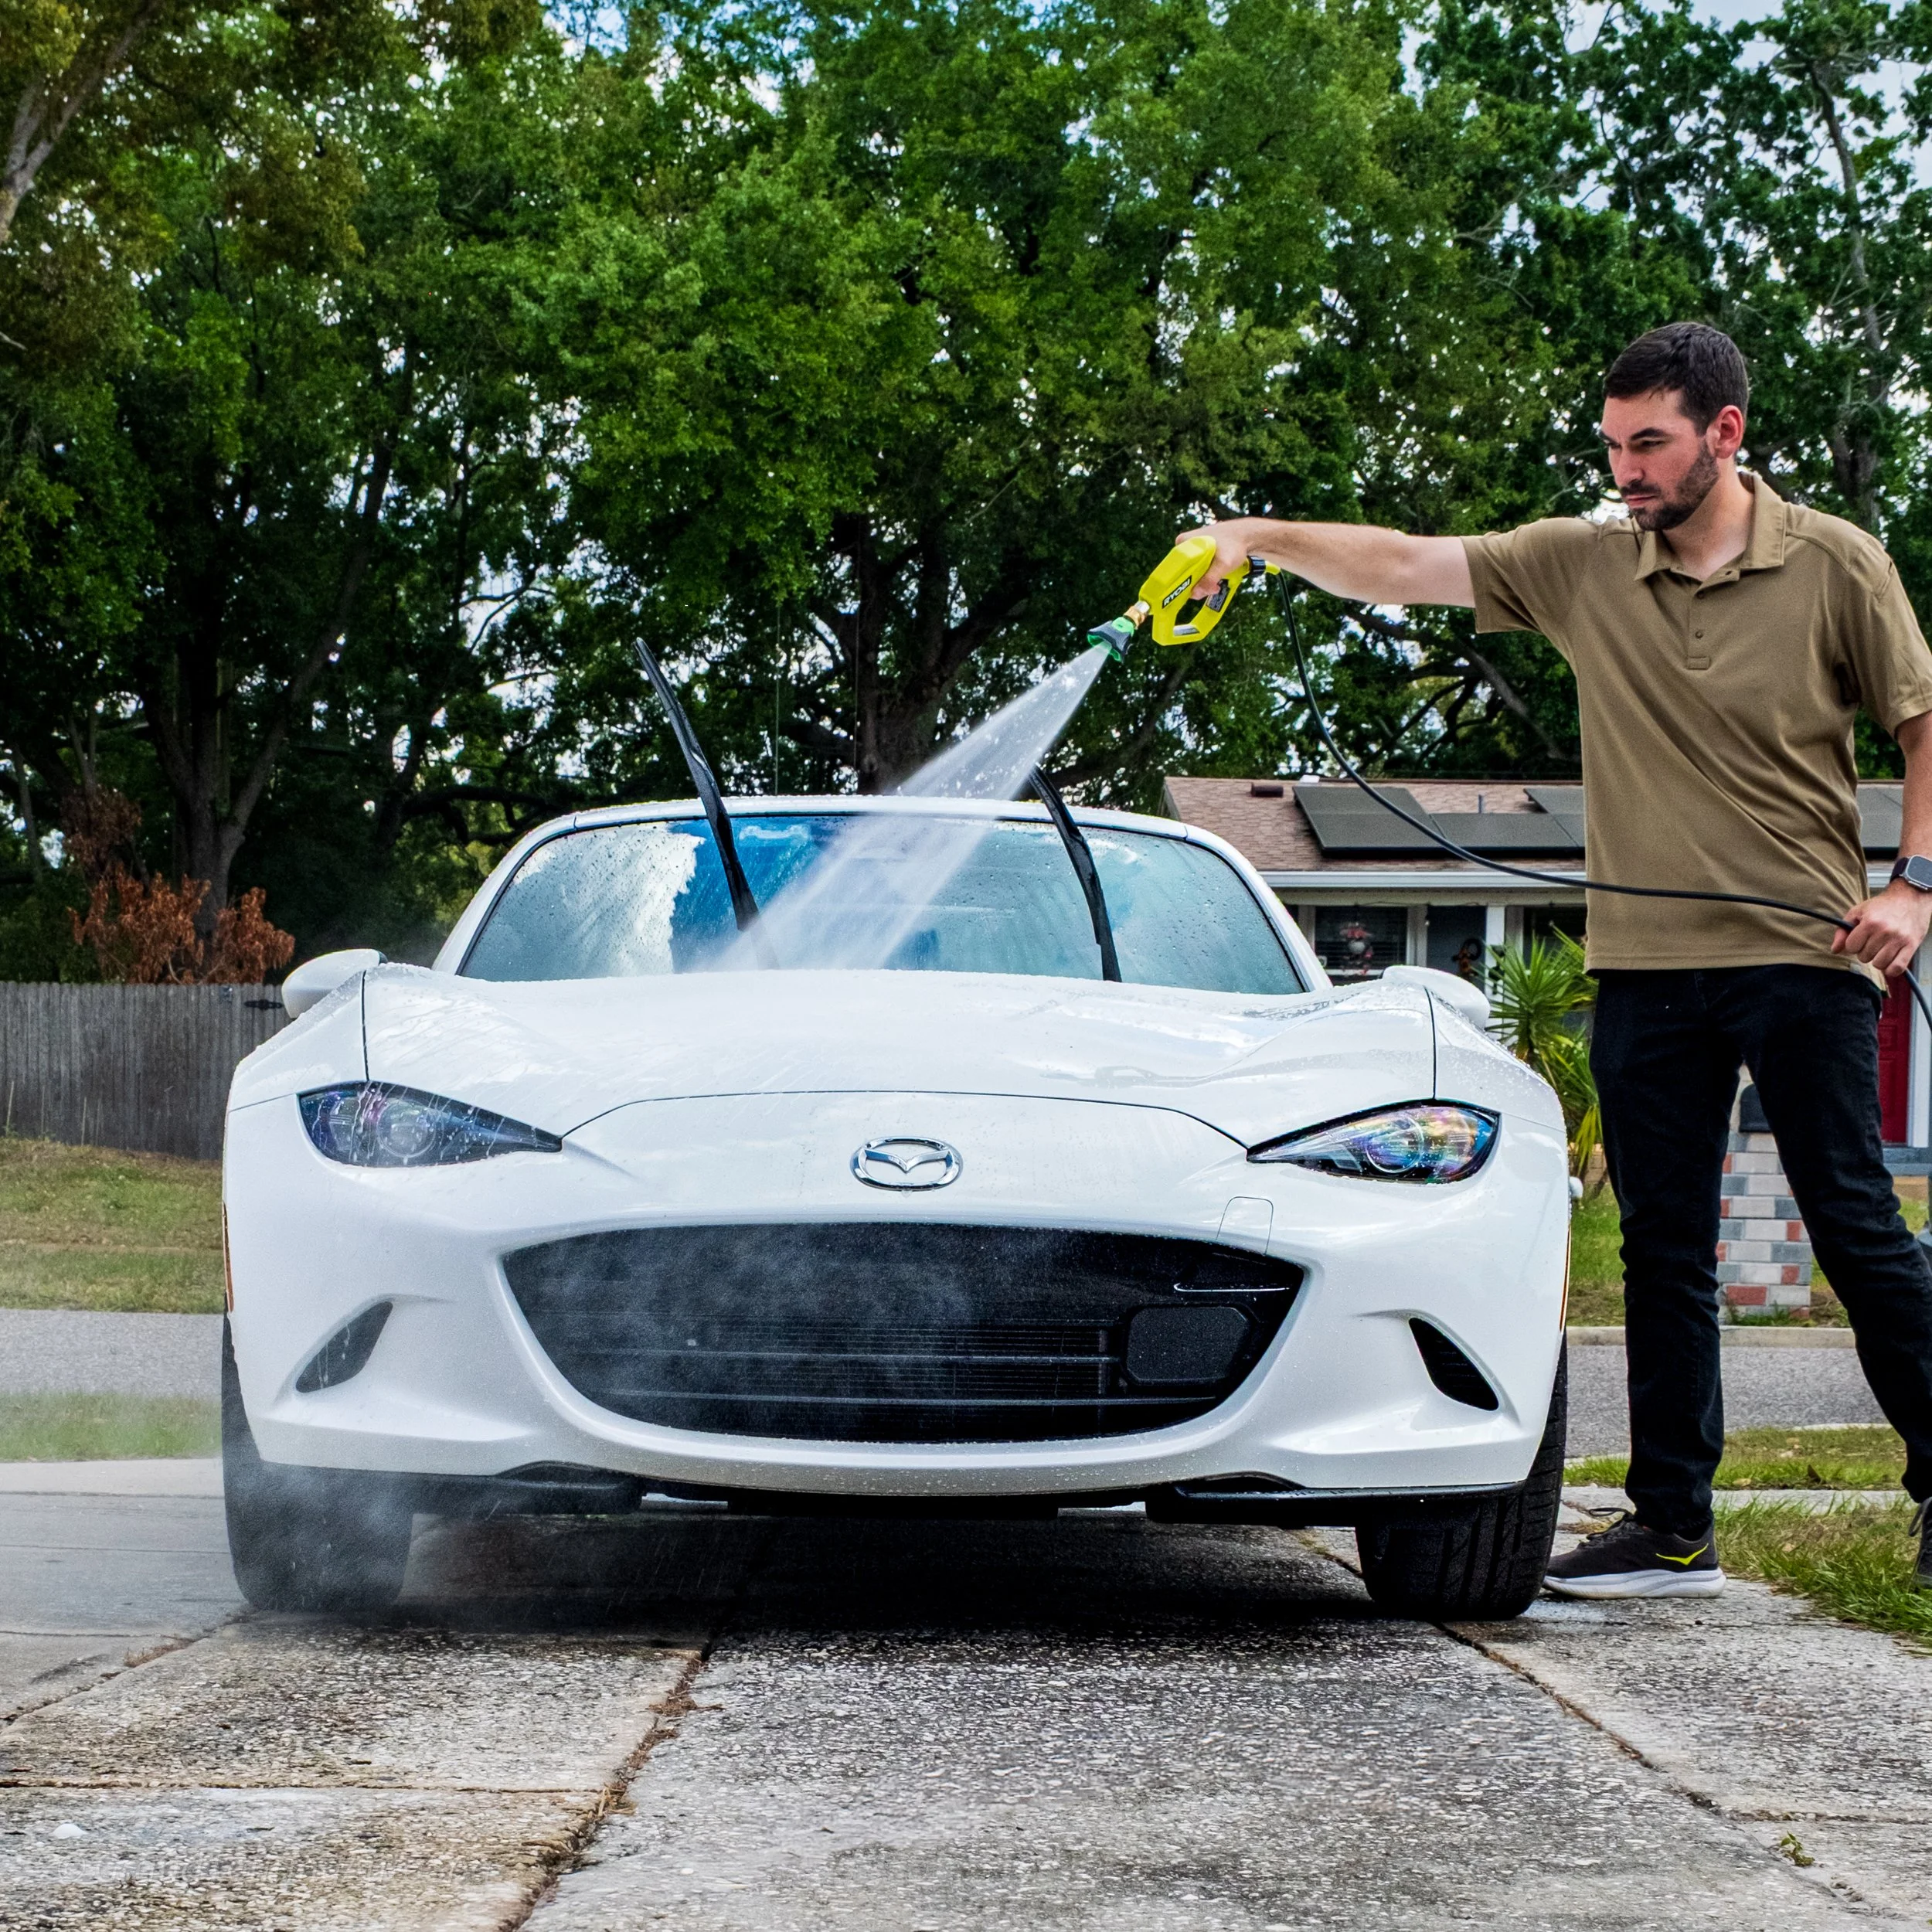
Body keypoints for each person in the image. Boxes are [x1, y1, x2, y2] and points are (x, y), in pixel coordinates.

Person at [1182, 321, 1932, 1599]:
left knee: (1858, 1227)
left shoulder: (1834, 566)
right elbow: (1408, 566)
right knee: (1662, 1246)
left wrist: (1915, 884)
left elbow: (1924, 721)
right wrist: (1249, 537)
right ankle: (1673, 1528)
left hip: (1805, 951)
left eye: (1651, 444)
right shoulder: (1583, 566)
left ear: (1725, 433)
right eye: (1614, 446)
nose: (1627, 470)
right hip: (1644, 962)